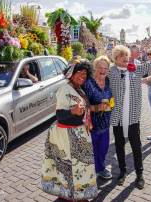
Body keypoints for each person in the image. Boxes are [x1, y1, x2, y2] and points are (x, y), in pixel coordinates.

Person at [108, 33, 151, 189]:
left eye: (126, 56)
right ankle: (122, 172)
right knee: (120, 145)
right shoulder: (112, 71)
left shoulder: (136, 69)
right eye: (122, 56)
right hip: (118, 116)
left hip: (133, 116)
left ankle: (140, 175)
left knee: (136, 146)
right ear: (116, 58)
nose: (126, 58)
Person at [41, 62, 98, 201]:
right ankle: (71, 195)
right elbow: (60, 116)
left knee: (79, 167)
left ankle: (77, 194)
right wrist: (73, 111)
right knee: (69, 166)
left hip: (78, 134)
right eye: (79, 72)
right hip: (66, 136)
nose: (82, 76)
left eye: (85, 74)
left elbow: (84, 110)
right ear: (71, 74)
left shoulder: (79, 89)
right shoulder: (64, 89)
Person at [83, 56, 113, 180]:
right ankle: (93, 171)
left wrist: (111, 103)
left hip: (105, 123)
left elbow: (112, 97)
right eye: (100, 67)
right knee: (92, 149)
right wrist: (96, 108)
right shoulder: (88, 83)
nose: (103, 70)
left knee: (104, 148)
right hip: (92, 125)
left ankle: (100, 168)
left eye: (105, 68)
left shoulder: (109, 81)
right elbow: (82, 105)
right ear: (95, 68)